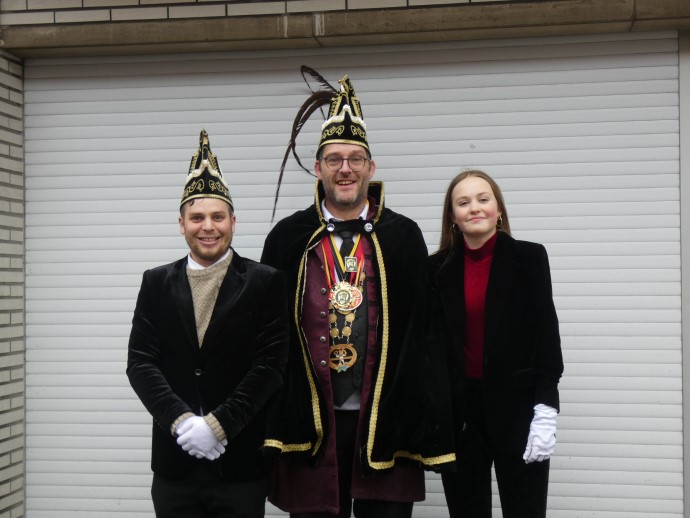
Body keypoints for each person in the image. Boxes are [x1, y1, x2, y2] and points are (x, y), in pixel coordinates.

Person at [261, 69, 454, 518]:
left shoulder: (402, 236)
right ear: (318, 168)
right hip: (313, 422)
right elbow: (267, 336)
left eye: (355, 159)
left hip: (383, 419)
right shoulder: (287, 237)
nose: (345, 169)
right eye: (334, 159)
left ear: (371, 167)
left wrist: (432, 418)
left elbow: (425, 335)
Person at [127, 130, 289, 518]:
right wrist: (182, 422)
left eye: (218, 217)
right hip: (175, 465)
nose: (208, 226)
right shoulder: (156, 282)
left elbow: (270, 366)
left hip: (239, 465)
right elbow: (141, 363)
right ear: (181, 224)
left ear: (233, 221)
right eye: (197, 217)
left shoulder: (266, 282)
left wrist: (217, 426)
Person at [429, 170, 564, 518]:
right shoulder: (436, 268)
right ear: (452, 216)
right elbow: (429, 346)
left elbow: (545, 334)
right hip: (461, 418)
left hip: (518, 410)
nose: (474, 208)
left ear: (499, 209)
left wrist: (546, 408)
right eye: (463, 202)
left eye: (483, 199)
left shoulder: (530, 258)